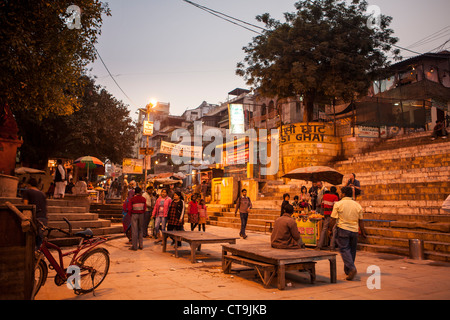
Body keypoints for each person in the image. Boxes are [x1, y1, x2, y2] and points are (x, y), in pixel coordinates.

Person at [329, 187, 367, 280]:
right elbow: (361, 221)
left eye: (341, 193)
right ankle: (348, 270)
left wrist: (330, 230)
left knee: (344, 250)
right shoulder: (357, 205)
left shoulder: (338, 204)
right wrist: (363, 232)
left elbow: (333, 219)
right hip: (354, 230)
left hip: (343, 229)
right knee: (352, 250)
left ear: (344, 194)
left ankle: (351, 268)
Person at [22, 178, 48, 249]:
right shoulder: (42, 194)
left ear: (29, 184)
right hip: (43, 218)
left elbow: (25, 205)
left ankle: (33, 256)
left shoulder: (27, 191)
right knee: (39, 239)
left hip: (35, 217)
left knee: (31, 239)